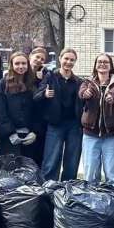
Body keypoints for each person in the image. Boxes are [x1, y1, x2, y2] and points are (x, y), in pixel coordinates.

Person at [35, 48, 83, 181]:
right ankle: (49, 190)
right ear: (60, 59)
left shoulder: (78, 82)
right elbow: (36, 97)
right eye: (66, 59)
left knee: (72, 162)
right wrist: (44, 94)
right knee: (51, 161)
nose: (68, 62)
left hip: (74, 126)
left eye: (72, 60)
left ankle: (67, 190)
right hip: (55, 125)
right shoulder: (50, 77)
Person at [78, 53, 114, 183]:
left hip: (112, 136)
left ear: (110, 66)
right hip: (90, 135)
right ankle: (92, 200)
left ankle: (112, 200)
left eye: (106, 62)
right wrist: (85, 93)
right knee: (90, 174)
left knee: (112, 174)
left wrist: (112, 96)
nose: (102, 64)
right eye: (100, 62)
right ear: (95, 65)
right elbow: (81, 92)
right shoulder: (88, 83)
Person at [0, 51, 37, 156]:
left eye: (24, 63)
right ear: (11, 65)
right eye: (17, 64)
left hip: (30, 136)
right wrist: (10, 132)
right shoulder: (3, 84)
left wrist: (35, 131)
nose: (21, 66)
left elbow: (39, 109)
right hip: (9, 137)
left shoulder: (33, 83)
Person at [26, 47, 49, 164]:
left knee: (38, 157)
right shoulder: (22, 71)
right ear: (30, 56)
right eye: (37, 57)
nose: (39, 60)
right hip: (25, 119)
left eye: (42, 59)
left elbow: (40, 98)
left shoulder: (45, 75)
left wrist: (40, 80)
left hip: (39, 121)